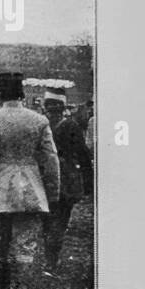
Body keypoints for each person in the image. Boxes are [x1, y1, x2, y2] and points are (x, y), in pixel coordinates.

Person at [0, 72, 61, 289]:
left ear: (0, 93)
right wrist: (52, 193)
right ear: (21, 92)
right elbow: (51, 160)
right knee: (24, 250)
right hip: (32, 194)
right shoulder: (40, 120)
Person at [41, 88, 92, 278]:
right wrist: (88, 182)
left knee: (47, 219)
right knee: (60, 221)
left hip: (45, 177)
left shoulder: (41, 125)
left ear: (46, 107)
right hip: (67, 178)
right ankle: (51, 261)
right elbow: (83, 154)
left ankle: (49, 257)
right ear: (63, 107)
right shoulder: (71, 126)